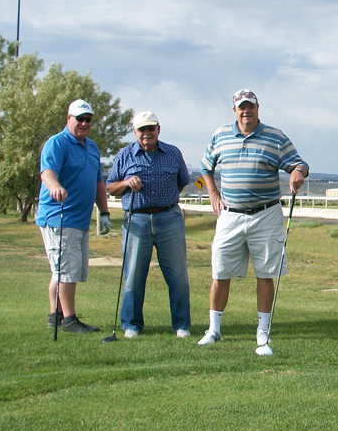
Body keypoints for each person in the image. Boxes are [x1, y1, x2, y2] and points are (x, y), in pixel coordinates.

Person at [196, 89, 308, 354]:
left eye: (251, 106)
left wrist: (296, 173)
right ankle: (213, 330)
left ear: (258, 108)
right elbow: (205, 166)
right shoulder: (220, 135)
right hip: (231, 214)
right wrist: (212, 192)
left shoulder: (275, 137)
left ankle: (262, 332)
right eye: (241, 107)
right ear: (234, 111)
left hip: (266, 214)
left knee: (266, 274)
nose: (246, 111)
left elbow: (300, 164)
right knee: (220, 272)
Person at [105, 111, 192, 338]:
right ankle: (131, 325)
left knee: (178, 275)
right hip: (137, 219)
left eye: (150, 128)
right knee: (133, 275)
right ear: (135, 132)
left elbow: (182, 182)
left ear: (158, 129)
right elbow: (110, 187)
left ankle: (181, 325)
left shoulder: (172, 153)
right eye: (141, 129)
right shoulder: (124, 155)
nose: (146, 133)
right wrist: (125, 183)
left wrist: (165, 200)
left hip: (169, 218)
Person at [37, 99, 113, 334]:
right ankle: (69, 320)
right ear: (68, 119)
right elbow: (47, 171)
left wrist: (104, 211)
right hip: (60, 215)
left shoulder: (91, 147)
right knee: (66, 270)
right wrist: (54, 186)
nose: (83, 123)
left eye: (87, 120)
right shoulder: (57, 143)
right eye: (79, 119)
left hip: (80, 219)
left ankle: (55, 315)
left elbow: (98, 180)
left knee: (62, 269)